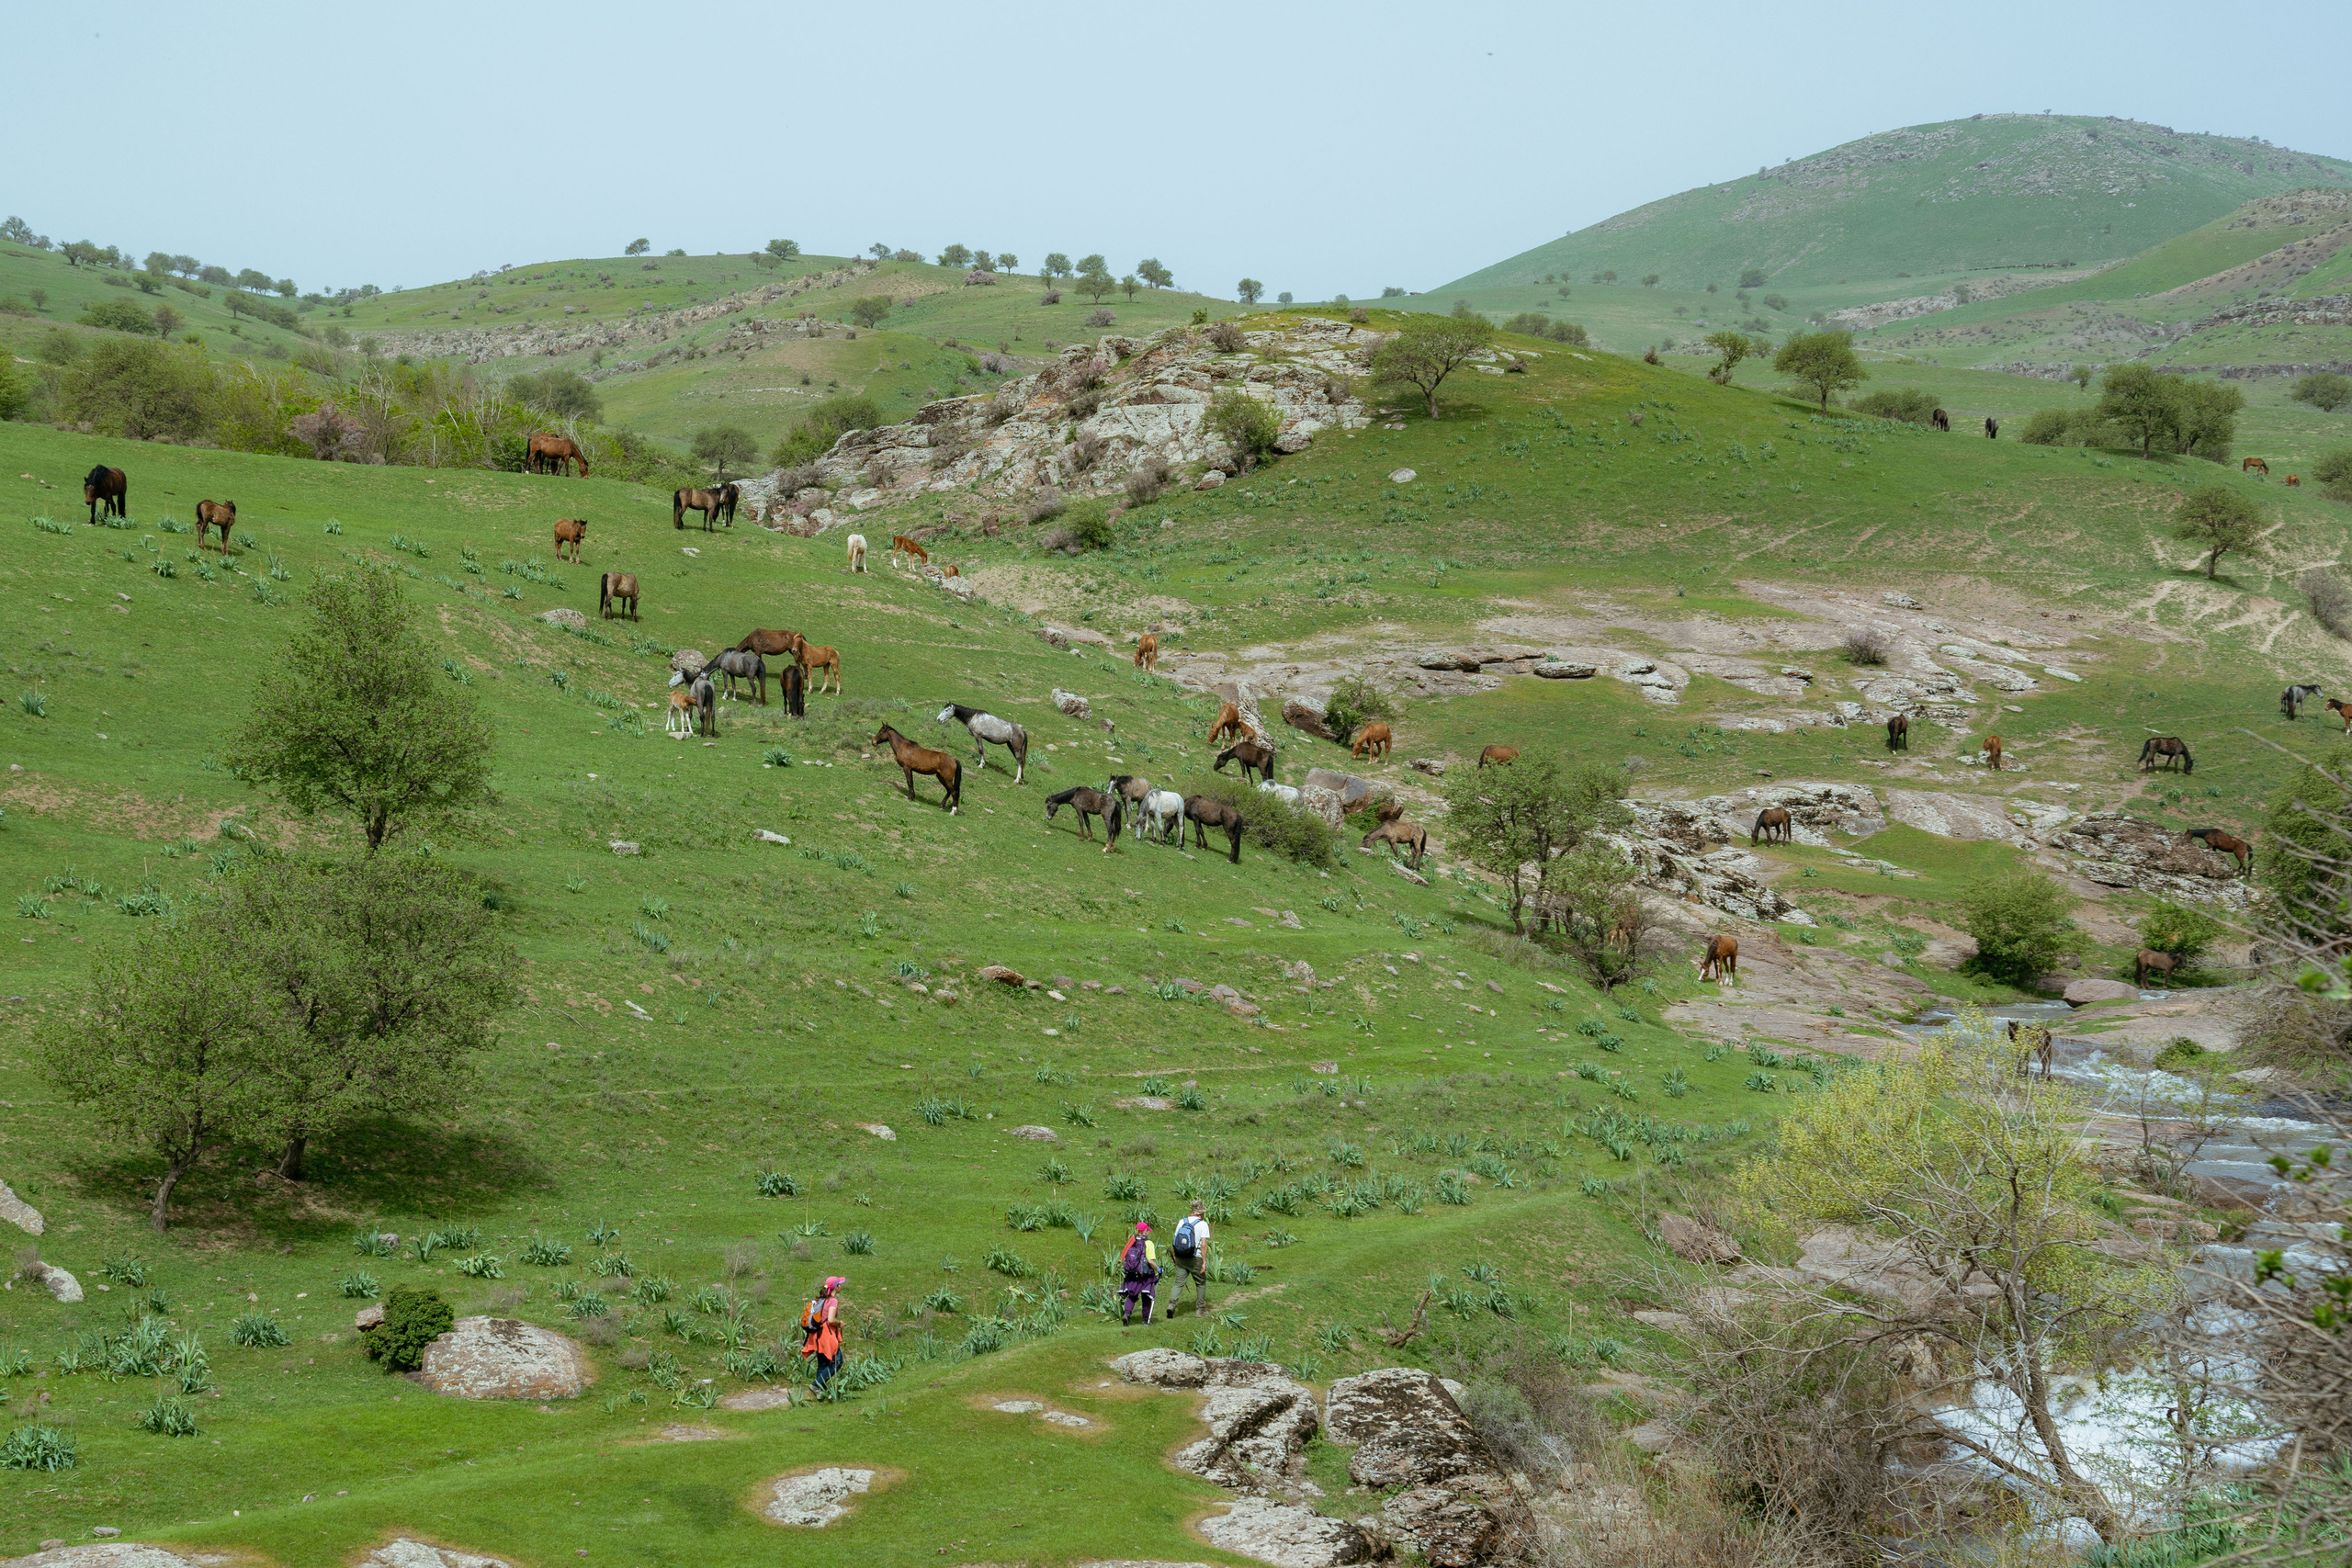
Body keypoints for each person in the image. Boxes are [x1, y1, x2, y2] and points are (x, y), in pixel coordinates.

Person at [801, 1276, 846, 1391]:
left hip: (817, 1335)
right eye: (839, 1284)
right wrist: (839, 1323)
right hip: (827, 1335)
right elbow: (831, 1320)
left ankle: (819, 1391)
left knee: (823, 1364)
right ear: (836, 1287)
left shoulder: (821, 1299)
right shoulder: (833, 1301)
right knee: (837, 1362)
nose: (841, 1286)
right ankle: (816, 1385)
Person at [1170, 1200, 1212, 1318]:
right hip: (1196, 1257)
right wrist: (1204, 1262)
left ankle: (1171, 1306)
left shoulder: (1181, 1222)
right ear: (1200, 1213)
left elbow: (1175, 1242)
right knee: (1200, 1283)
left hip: (1181, 1257)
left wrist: (1175, 1257)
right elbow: (1204, 1245)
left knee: (1178, 1283)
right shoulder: (1203, 1224)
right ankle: (1200, 1311)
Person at [1117, 1221, 1159, 1326]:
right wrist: (1158, 1269)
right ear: (1145, 1231)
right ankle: (1145, 1320)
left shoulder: (1131, 1241)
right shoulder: (1148, 1243)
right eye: (1147, 1230)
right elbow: (1150, 1261)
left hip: (1131, 1274)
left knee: (1132, 1295)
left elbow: (1123, 1257)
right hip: (1145, 1275)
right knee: (1146, 1296)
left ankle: (1126, 1314)